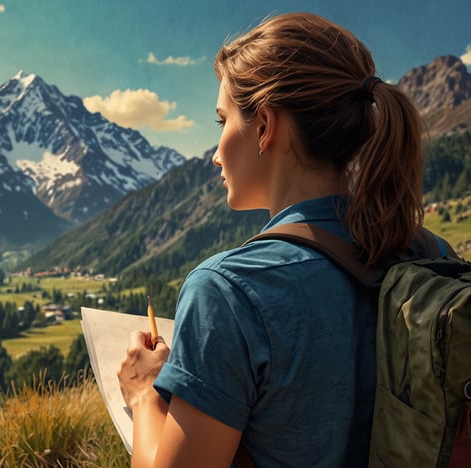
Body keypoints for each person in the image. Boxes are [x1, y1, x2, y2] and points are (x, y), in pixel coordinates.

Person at [117, 12, 429, 467]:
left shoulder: (228, 292)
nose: (216, 153)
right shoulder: (432, 255)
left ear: (264, 125)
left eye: (223, 121)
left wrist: (144, 395)